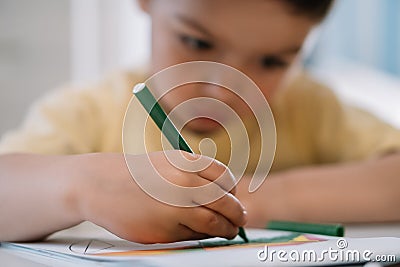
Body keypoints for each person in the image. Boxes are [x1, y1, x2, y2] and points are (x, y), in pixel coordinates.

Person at [1, 0, 400, 243]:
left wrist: (263, 201)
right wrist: (80, 185)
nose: (227, 92)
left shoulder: (309, 106)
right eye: (197, 42)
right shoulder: (87, 112)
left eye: (273, 61)